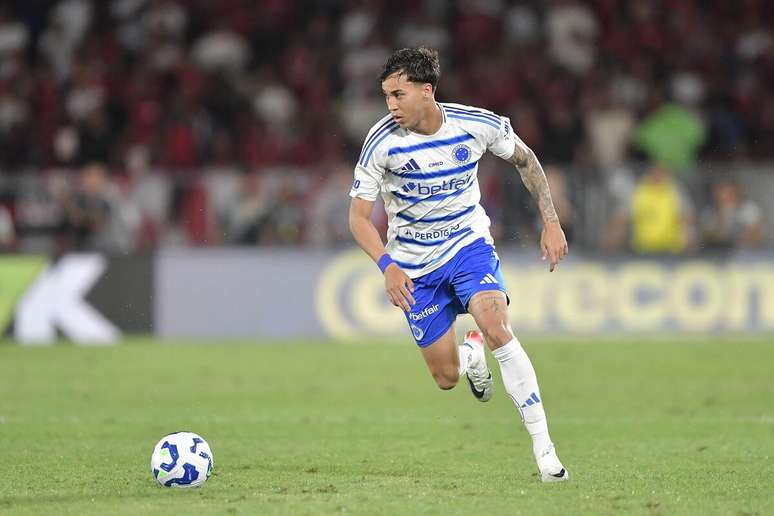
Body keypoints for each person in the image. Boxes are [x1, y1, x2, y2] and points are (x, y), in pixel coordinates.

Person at [348, 47, 569, 482]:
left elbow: (526, 160)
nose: (391, 105)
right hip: (414, 268)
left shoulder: (476, 124)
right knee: (446, 377)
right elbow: (357, 218)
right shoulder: (381, 142)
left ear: (427, 91)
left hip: (468, 246)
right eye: (386, 96)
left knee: (497, 327)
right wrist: (387, 265)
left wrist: (551, 221)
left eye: (398, 94)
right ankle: (470, 354)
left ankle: (545, 451)